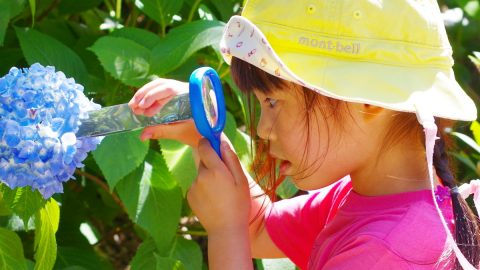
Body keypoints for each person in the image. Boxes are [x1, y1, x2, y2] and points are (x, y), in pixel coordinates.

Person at [128, 0, 480, 269]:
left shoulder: (392, 250)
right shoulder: (367, 197)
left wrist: (225, 232)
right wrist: (206, 135)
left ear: (369, 101)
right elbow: (259, 228)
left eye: (273, 102)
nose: (263, 130)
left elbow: (241, 230)